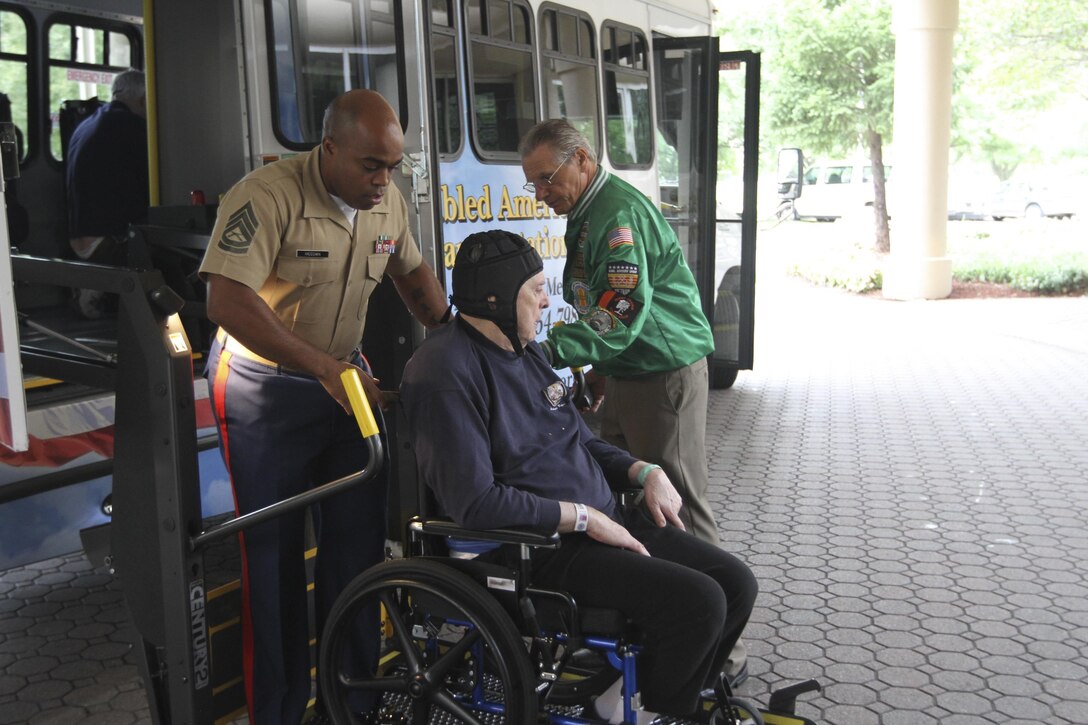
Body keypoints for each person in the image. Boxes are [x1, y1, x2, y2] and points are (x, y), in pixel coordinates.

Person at [400, 230, 757, 724]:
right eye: (536, 290)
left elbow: (579, 440)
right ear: (496, 299)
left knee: (735, 583)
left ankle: (635, 702)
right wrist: (584, 518)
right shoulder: (445, 372)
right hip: (537, 551)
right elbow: (475, 504)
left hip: (601, 524)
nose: (548, 302)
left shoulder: (527, 353)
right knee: (699, 603)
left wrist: (643, 469)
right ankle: (653, 710)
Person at [198, 89, 449, 725]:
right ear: (328, 148)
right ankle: (280, 712)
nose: (383, 180)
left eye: (392, 166)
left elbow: (413, 277)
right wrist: (323, 369)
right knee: (274, 561)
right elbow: (225, 301)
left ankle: (351, 702)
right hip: (264, 390)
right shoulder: (264, 195)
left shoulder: (384, 201)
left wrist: (463, 347)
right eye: (371, 165)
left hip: (346, 382)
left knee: (357, 553)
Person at [518, 119, 721, 546]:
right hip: (630, 367)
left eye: (545, 179)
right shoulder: (590, 208)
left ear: (581, 160)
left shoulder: (616, 215)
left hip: (663, 375)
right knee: (624, 491)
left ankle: (714, 602)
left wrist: (543, 351)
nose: (539, 194)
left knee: (678, 502)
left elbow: (618, 311)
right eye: (532, 184)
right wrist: (603, 368)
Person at [65, 69, 149, 317]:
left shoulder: (86, 124)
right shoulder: (133, 127)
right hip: (108, 240)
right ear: (144, 100)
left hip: (78, 234)